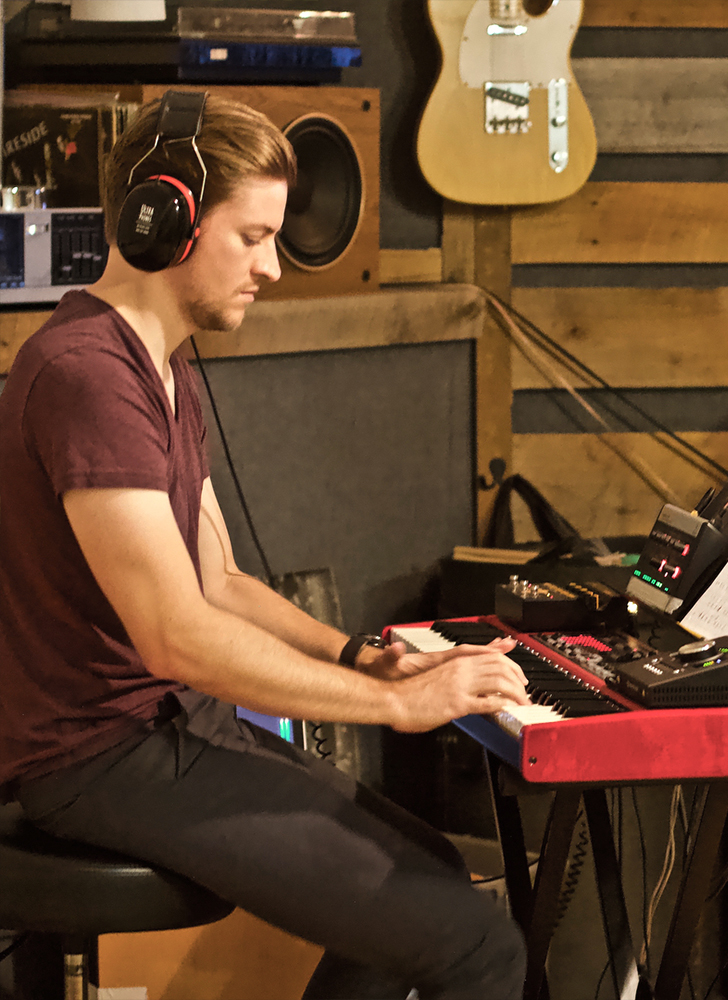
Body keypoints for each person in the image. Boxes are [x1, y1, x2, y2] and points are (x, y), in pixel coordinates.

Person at [0, 91, 530, 1000]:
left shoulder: (159, 366)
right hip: (97, 758)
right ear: (167, 221)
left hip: (166, 731)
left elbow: (219, 580)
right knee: (477, 947)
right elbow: (177, 635)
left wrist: (360, 656)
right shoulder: (88, 376)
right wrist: (396, 704)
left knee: (438, 879)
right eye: (252, 237)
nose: (272, 268)